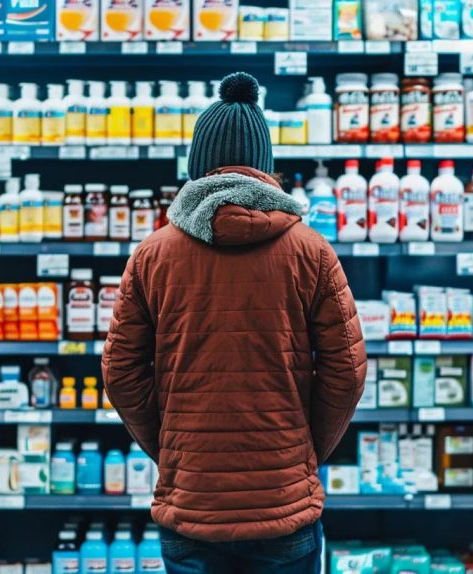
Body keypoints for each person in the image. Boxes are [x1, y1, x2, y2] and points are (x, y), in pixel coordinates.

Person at [101, 71, 367, 574]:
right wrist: (302, 453)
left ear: (196, 168)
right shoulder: (312, 251)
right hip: (283, 509)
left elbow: (120, 373)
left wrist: (174, 451)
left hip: (191, 507)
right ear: (266, 168)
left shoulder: (152, 255)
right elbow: (347, 372)